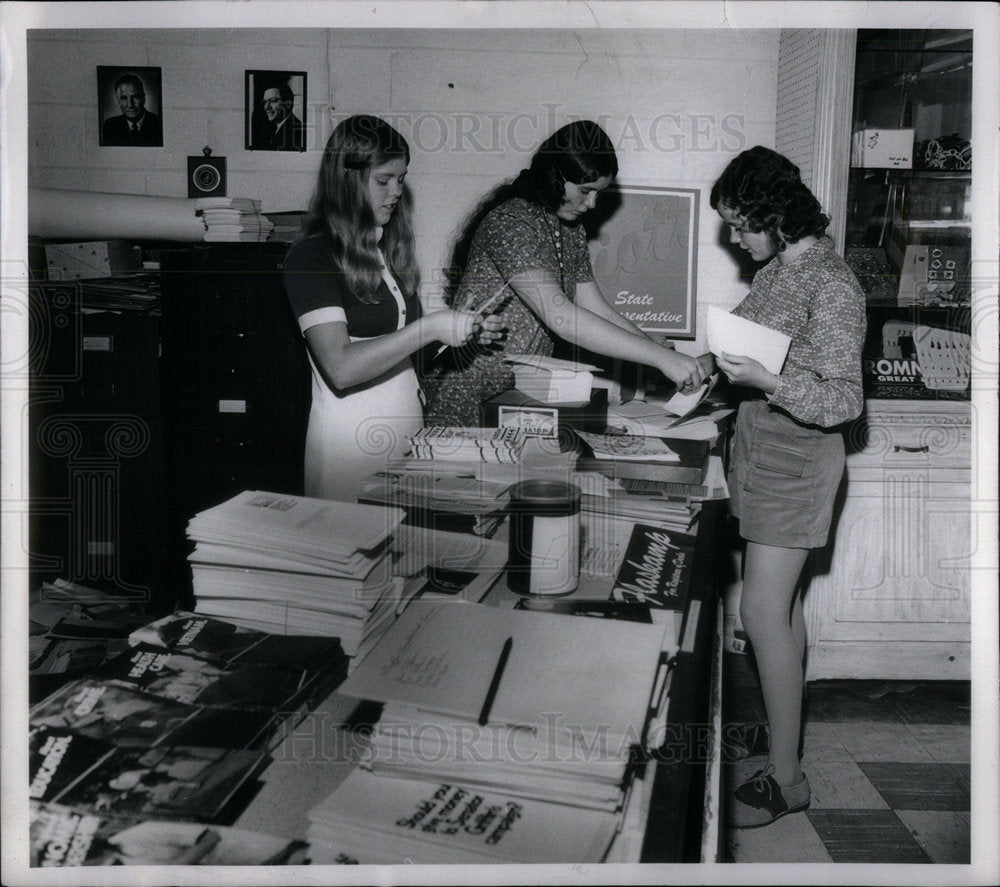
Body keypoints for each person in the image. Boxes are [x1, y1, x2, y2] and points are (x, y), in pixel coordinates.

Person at [696, 146, 865, 828]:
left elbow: (843, 400)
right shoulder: (779, 271)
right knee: (781, 615)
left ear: (773, 214)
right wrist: (710, 360)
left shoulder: (832, 283)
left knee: (760, 614)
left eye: (740, 223)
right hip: (765, 457)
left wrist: (766, 381)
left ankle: (788, 780)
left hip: (797, 462)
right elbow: (751, 336)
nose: (734, 237)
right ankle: (782, 740)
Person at [422, 120, 705, 427]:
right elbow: (563, 318)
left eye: (599, 193)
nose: (592, 203)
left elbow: (600, 312)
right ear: (555, 177)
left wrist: (656, 350)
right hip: (465, 391)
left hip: (513, 390)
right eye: (586, 190)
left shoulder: (569, 232)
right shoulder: (511, 223)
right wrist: (661, 359)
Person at [283, 114, 502, 501]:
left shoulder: (383, 249)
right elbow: (342, 367)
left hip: (403, 433)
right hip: (349, 445)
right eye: (383, 180)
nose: (396, 191)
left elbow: (405, 350)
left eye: (401, 179)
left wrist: (463, 334)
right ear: (346, 180)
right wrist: (431, 327)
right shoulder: (311, 256)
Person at [101, 73, 163, 146]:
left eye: (135, 97)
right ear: (118, 100)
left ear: (143, 98)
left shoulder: (158, 124)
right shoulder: (110, 126)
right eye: (124, 98)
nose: (130, 105)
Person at [256, 84, 305, 151]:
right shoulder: (272, 129)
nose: (267, 107)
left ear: (288, 103)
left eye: (273, 100)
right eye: (265, 102)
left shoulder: (297, 131)